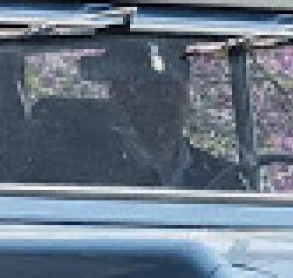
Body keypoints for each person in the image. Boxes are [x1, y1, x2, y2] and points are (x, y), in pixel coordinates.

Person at [88, 39, 241, 189]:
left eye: (169, 90)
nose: (158, 103)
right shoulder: (89, 174)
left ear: (185, 95)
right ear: (117, 98)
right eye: (144, 90)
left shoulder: (223, 179)